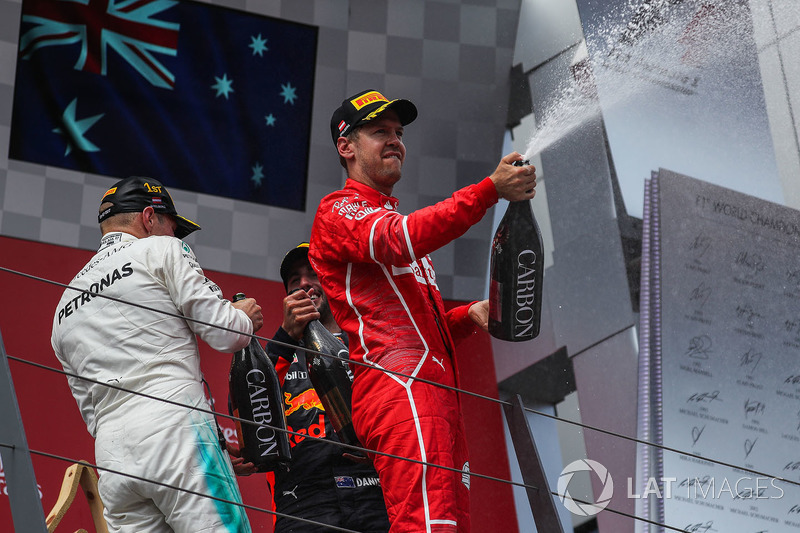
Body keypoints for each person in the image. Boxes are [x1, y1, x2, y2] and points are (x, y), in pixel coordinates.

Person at [308, 89, 537, 532]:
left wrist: (469, 316)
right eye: (379, 132)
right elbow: (398, 241)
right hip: (399, 389)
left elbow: (417, 331)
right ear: (346, 147)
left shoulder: (393, 221)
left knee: (446, 527)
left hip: (435, 395)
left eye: (398, 132)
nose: (395, 140)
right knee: (426, 526)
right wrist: (488, 191)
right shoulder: (339, 211)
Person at [51, 176, 263, 533]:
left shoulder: (62, 308)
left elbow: (89, 411)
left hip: (113, 454)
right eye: (171, 227)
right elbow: (224, 333)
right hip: (176, 427)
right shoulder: (161, 250)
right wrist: (244, 316)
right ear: (149, 217)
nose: (174, 236)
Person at [260, 242, 390, 532]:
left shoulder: (369, 345)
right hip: (304, 505)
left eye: (313, 274)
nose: (304, 283)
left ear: (332, 281)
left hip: (376, 496)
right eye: (295, 280)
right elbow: (247, 412)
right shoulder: (273, 354)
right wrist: (285, 338)